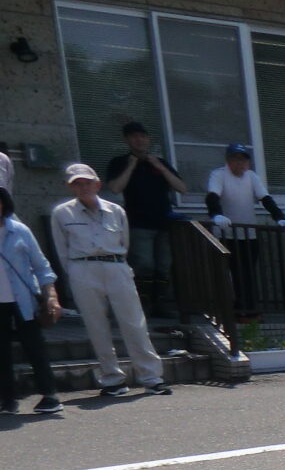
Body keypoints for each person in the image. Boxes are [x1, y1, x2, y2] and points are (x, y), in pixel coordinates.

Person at [49, 164, 170, 397]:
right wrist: (74, 273)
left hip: (116, 265)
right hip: (82, 268)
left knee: (134, 322)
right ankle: (112, 378)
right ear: (70, 187)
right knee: (96, 326)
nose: (83, 187)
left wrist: (117, 263)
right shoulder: (62, 213)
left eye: (87, 182)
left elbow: (124, 243)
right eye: (77, 183)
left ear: (97, 184)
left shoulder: (116, 210)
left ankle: (151, 377)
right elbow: (61, 249)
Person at [105, 121, 188, 318]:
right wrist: (131, 166)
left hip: (163, 223)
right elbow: (115, 188)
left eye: (142, 136)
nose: (139, 139)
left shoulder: (159, 163)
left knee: (163, 266)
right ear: (126, 139)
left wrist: (161, 167)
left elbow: (182, 188)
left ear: (147, 138)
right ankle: (143, 304)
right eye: (134, 136)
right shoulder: (120, 162)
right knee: (143, 264)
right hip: (138, 223)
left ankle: (161, 304)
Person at [206, 142, 285, 321]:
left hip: (248, 235)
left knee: (247, 273)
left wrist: (280, 218)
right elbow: (212, 196)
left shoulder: (251, 177)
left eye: (243, 159)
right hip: (226, 235)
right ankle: (232, 310)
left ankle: (249, 310)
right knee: (230, 274)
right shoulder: (219, 175)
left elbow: (265, 199)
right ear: (228, 160)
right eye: (235, 159)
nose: (239, 163)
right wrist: (215, 215)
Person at [0, 185, 63, 415]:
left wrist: (51, 297)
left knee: (34, 348)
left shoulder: (19, 230)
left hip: (23, 301)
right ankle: (7, 400)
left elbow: (41, 266)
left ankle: (49, 395)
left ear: (4, 204)